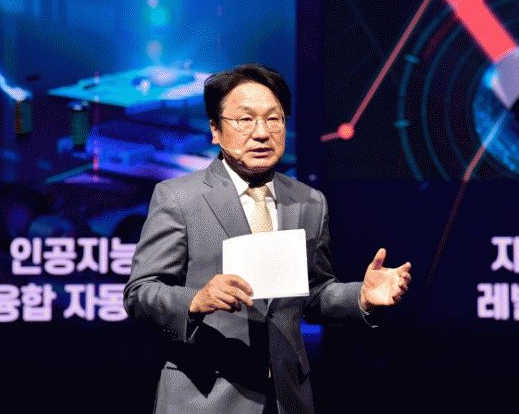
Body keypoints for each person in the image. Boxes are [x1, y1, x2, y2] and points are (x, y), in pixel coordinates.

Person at [123, 64, 412, 414]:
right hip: (205, 397)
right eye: (245, 120)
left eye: (273, 119)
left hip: (287, 397)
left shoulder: (309, 201)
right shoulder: (179, 197)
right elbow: (140, 293)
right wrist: (196, 299)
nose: (261, 133)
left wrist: (361, 296)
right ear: (215, 129)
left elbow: (313, 293)